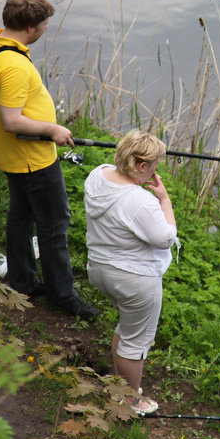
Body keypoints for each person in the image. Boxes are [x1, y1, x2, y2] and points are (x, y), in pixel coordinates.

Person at [0, 0, 99, 321]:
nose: (47, 29)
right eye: (45, 24)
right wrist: (53, 131)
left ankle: (22, 280)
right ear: (31, 27)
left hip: (9, 154)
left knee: (21, 217)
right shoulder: (14, 65)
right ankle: (62, 295)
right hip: (31, 159)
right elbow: (11, 119)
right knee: (54, 225)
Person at [83, 130, 179, 415]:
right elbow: (165, 237)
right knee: (136, 341)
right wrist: (164, 199)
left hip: (101, 270)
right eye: (154, 166)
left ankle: (119, 387)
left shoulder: (98, 175)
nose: (155, 172)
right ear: (141, 166)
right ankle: (129, 402)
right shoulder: (140, 202)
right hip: (134, 280)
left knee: (127, 329)